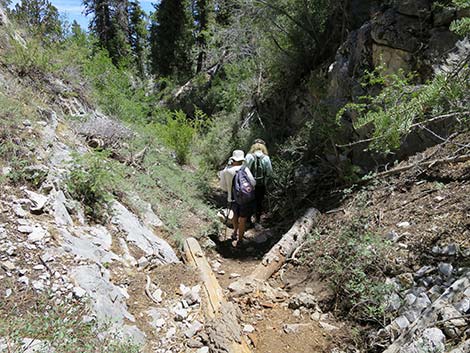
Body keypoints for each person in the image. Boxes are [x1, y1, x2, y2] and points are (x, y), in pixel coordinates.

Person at [220, 150, 256, 245]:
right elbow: (253, 183)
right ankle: (240, 240)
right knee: (242, 219)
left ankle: (234, 232)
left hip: (232, 198)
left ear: (233, 159)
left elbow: (223, 187)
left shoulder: (226, 171)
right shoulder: (245, 169)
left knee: (235, 216)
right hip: (244, 198)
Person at [245, 139, 273, 224]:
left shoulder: (249, 156)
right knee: (259, 202)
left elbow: (244, 169)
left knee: (248, 201)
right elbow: (269, 172)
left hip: (249, 184)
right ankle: (257, 219)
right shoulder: (266, 158)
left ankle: (248, 220)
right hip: (261, 184)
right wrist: (266, 181)